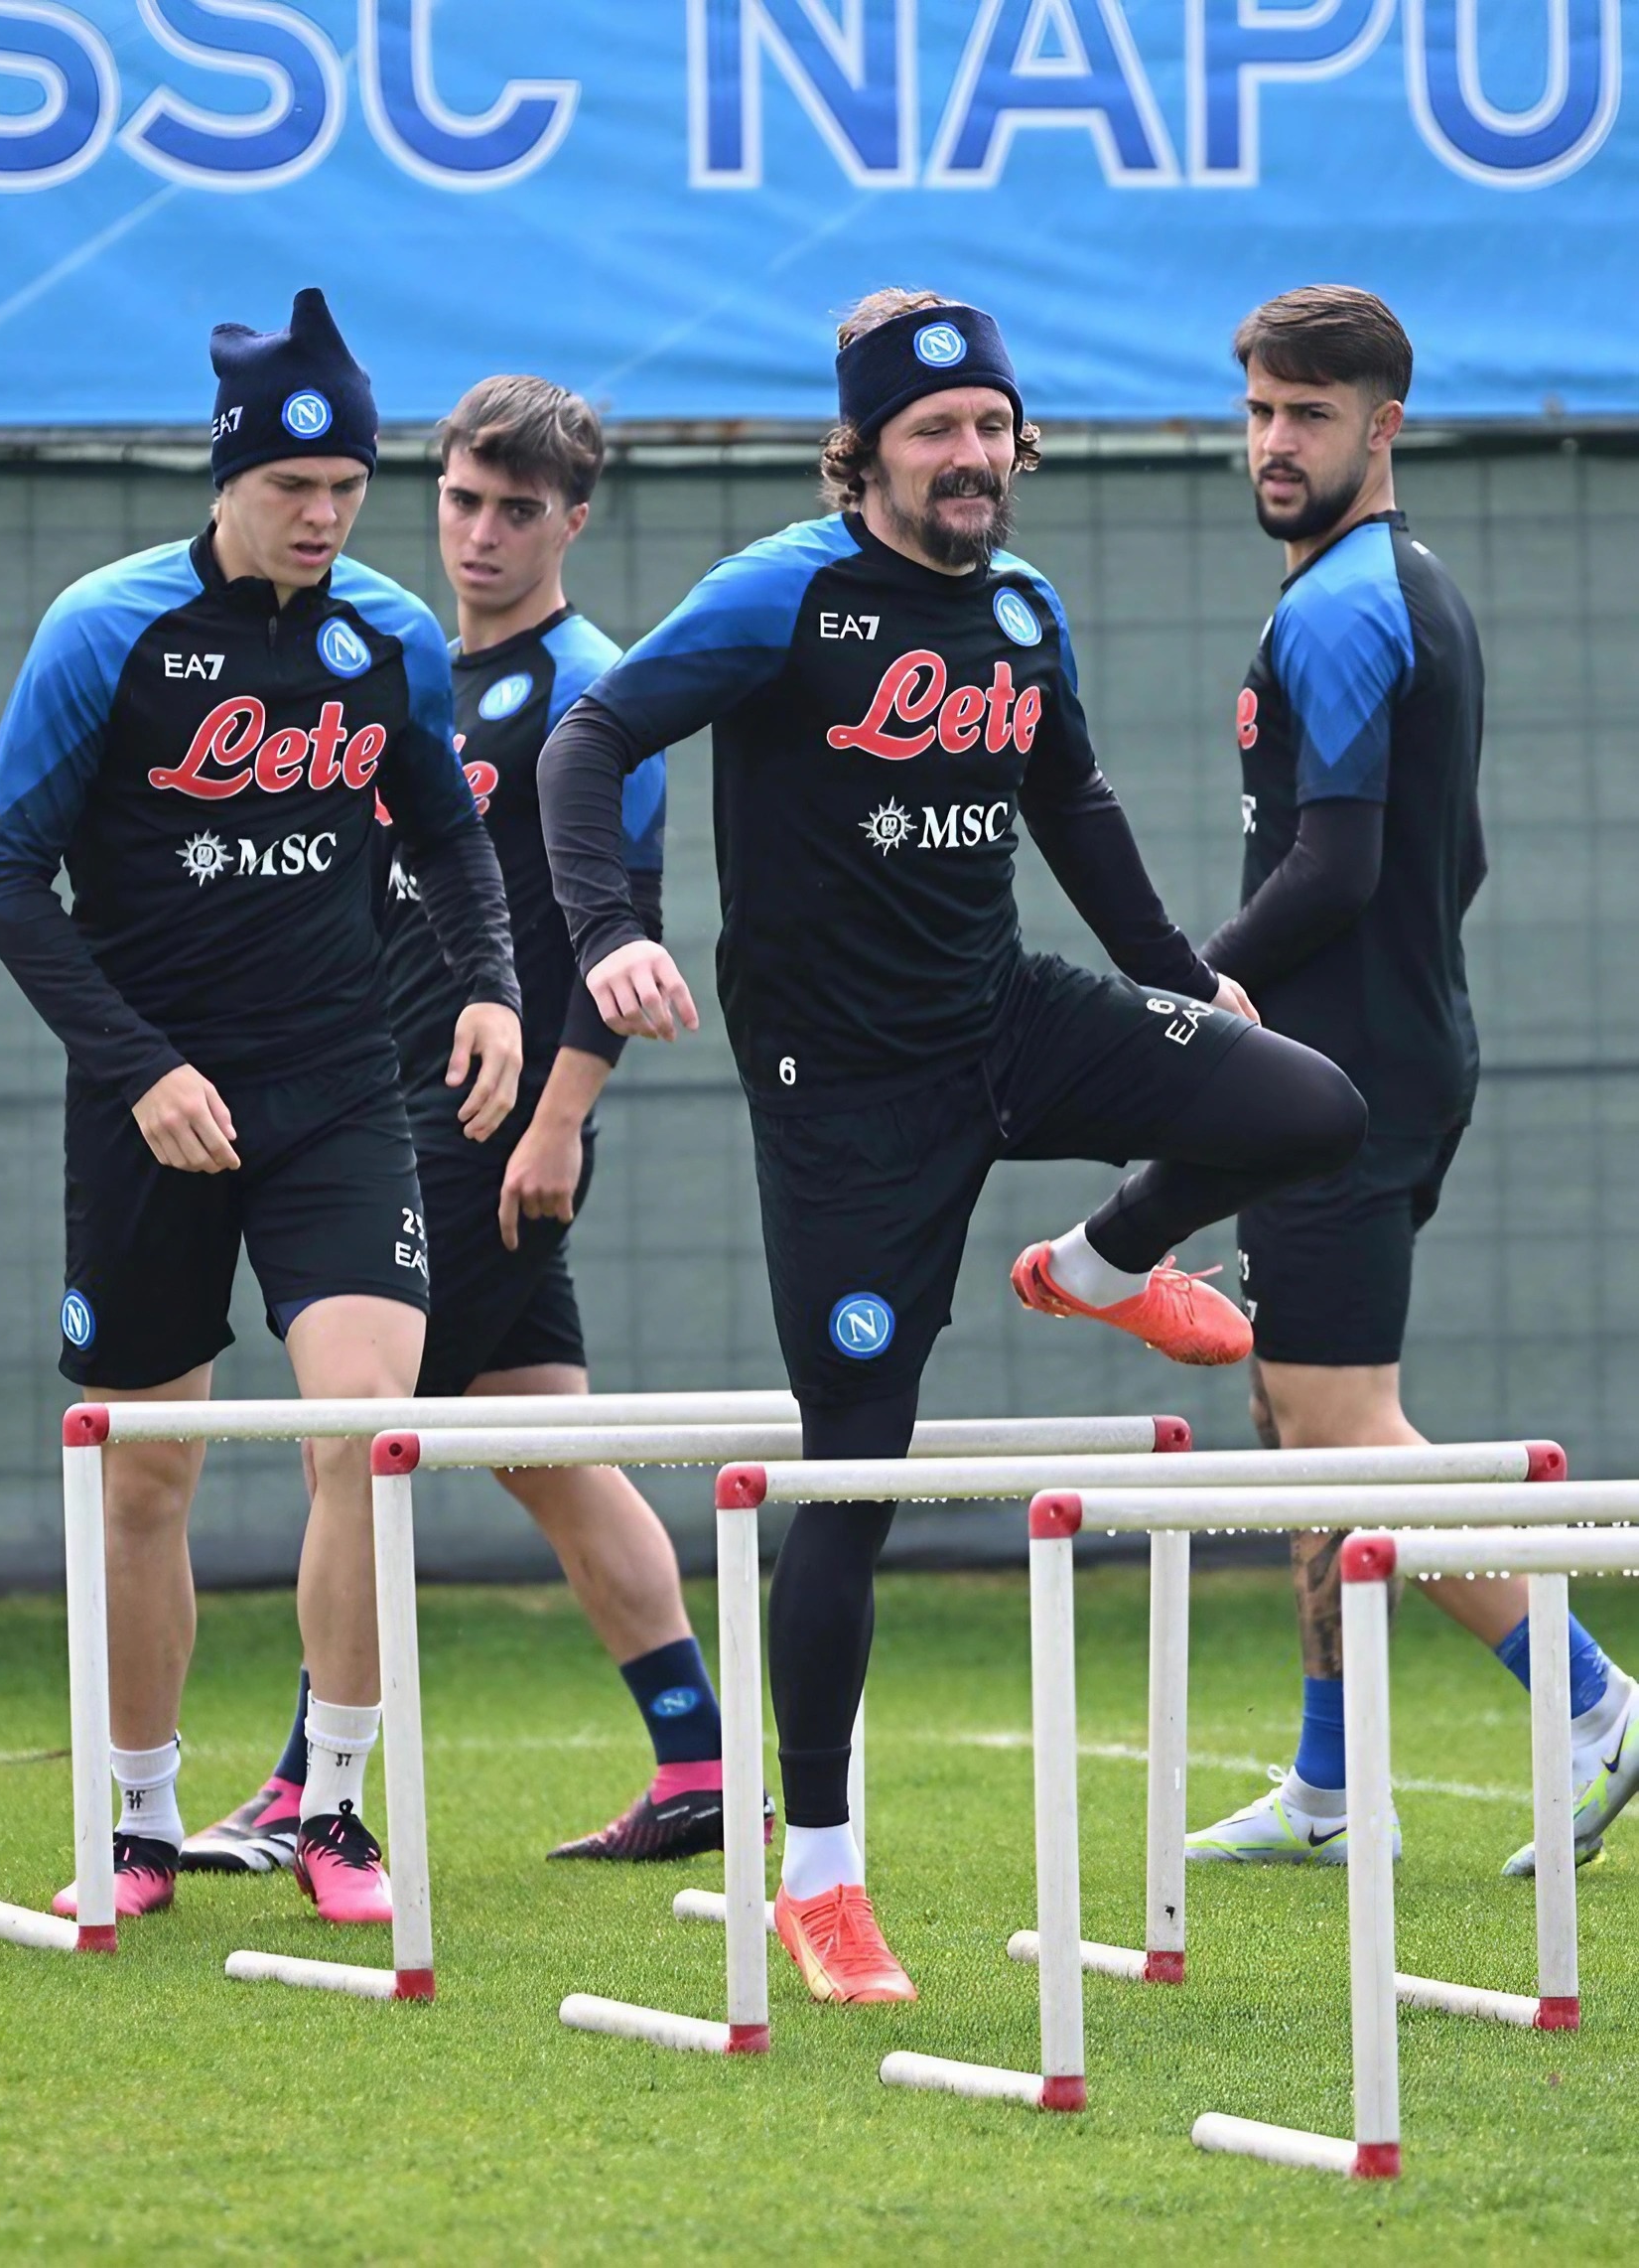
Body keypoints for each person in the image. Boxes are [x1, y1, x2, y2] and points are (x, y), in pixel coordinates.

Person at [537, 289, 1369, 2005]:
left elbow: (1069, 799)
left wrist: (1181, 981)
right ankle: (821, 1880)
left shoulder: (1021, 607)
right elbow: (592, 733)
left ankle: (1098, 1266)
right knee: (856, 1473)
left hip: (1006, 1019)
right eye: (938, 433)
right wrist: (611, 928)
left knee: (1304, 1100)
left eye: (992, 427)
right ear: (869, 456)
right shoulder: (788, 590)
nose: (974, 456)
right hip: (843, 1092)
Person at [0, 289, 521, 1929]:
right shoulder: (109, 628)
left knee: (364, 1434)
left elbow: (450, 836)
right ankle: (139, 1826)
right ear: (229, 478)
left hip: (342, 1087)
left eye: (350, 490)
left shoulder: (391, 638)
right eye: (297, 490)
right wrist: (138, 1068)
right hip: (152, 1102)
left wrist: (489, 983)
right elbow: (3, 879)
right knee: (150, 1474)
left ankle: (334, 1811)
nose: (325, 518)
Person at [184, 376, 735, 1877]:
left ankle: (310, 1787)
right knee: (544, 1446)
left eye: (517, 511)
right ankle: (698, 1763)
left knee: (351, 1449)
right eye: (461, 503)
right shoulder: (412, 665)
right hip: (405, 1099)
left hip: (485, 1123)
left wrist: (559, 1123)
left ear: (573, 519)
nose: (481, 536)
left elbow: (618, 932)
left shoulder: (591, 690)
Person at [1186, 286, 1635, 1874]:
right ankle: (1328, 1786)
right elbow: (1466, 855)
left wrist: (1203, 976)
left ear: (1382, 427)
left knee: (1336, 1414)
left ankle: (1596, 1704)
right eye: (1257, 412)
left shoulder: (1343, 607)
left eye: (1306, 415)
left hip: (1348, 1079)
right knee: (1285, 1404)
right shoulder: (1403, 589)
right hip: (1380, 1055)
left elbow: (1340, 865)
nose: (1273, 444)